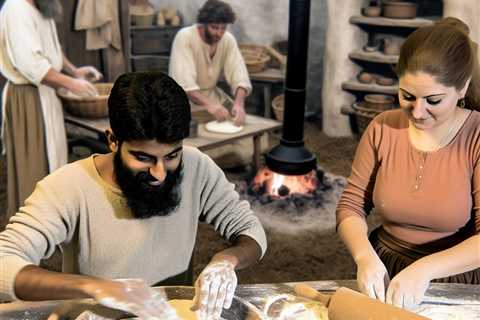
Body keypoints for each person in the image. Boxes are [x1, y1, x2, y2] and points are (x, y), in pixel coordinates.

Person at [0, 72, 267, 320]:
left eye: (172, 156)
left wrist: (226, 260)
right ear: (113, 141)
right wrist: (96, 287)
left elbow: (250, 230)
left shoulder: (197, 167)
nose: (160, 173)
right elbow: (3, 263)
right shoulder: (67, 187)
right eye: (143, 158)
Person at [336, 17, 480, 310]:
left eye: (433, 100)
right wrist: (364, 257)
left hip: (453, 276)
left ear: (462, 88)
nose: (418, 112)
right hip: (384, 264)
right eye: (407, 96)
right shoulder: (382, 127)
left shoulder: (476, 137)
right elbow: (351, 205)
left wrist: (425, 269)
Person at [0, 0, 102, 220]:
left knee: (54, 161)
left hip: (47, 92)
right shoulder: (17, 9)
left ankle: (53, 219)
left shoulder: (41, 7)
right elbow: (31, 64)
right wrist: (72, 84)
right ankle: (33, 227)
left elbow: (52, 48)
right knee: (34, 166)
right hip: (28, 97)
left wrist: (75, 71)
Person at [169, 0, 267, 169]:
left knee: (256, 136)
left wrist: (239, 103)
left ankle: (220, 160)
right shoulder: (185, 37)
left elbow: (239, 73)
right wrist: (210, 105)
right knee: (194, 139)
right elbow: (184, 83)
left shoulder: (227, 40)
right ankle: (212, 160)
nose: (219, 33)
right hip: (184, 101)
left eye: (223, 28)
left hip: (212, 95)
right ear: (204, 23)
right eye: (214, 27)